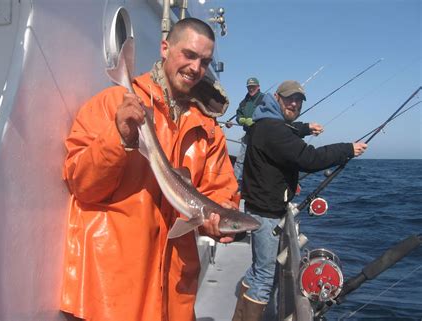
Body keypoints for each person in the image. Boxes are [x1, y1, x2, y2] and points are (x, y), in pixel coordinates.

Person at [60, 18, 238, 321]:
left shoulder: (208, 131)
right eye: (189, 55)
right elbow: (82, 185)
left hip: (174, 290)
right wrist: (118, 138)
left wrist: (223, 212)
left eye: (205, 61)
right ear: (165, 48)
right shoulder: (113, 104)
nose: (196, 68)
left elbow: (221, 191)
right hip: (110, 285)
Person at [232, 80, 367, 321]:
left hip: (258, 207)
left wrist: (305, 128)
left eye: (299, 100)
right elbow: (309, 158)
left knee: (256, 271)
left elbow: (287, 135)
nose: (294, 103)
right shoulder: (274, 130)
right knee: (263, 277)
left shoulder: (263, 124)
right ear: (277, 98)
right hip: (266, 214)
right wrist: (347, 149)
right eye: (288, 98)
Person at [226, 77, 264, 191]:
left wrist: (256, 120)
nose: (251, 89)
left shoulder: (264, 99)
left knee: (258, 161)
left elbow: (271, 113)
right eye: (249, 87)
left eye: (253, 87)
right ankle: (234, 184)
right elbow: (238, 114)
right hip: (248, 135)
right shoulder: (244, 101)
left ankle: (257, 186)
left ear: (258, 87)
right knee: (240, 161)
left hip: (261, 136)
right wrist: (242, 120)